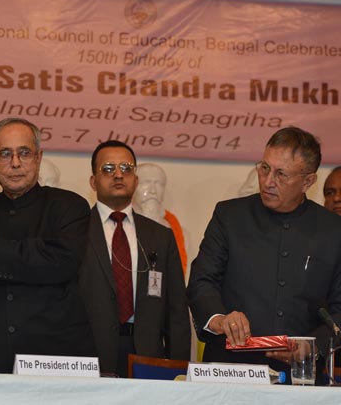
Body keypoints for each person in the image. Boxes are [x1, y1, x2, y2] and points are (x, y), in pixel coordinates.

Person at [187, 126, 341, 381]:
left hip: (298, 376)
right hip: (229, 371)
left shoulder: (333, 230)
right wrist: (220, 319)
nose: (268, 181)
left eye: (281, 174)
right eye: (264, 168)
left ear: (308, 181)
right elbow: (202, 281)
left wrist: (314, 346)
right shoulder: (229, 216)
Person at [0, 117, 96, 373]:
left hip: (55, 358)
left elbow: (61, 263)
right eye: (5, 154)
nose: (16, 163)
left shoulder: (69, 206)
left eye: (24, 153)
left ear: (39, 157)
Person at [79, 141, 190, 377]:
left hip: (147, 355)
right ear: (93, 181)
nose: (118, 175)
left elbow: (176, 312)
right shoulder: (75, 232)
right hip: (89, 355)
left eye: (126, 168)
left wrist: (180, 369)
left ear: (136, 181)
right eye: (108, 169)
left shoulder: (161, 236)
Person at [133, 162, 188, 276]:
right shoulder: (120, 224)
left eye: (159, 184)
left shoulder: (174, 230)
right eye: (145, 183)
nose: (152, 190)